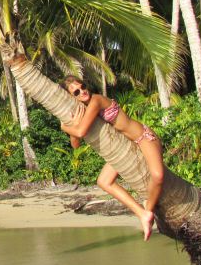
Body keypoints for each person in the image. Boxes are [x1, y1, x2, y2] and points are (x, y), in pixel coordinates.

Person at [60, 76, 164, 241]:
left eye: (83, 85)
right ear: (72, 97)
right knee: (103, 181)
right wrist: (71, 123)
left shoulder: (96, 100)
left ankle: (147, 209)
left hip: (142, 137)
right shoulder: (84, 111)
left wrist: (64, 126)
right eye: (77, 92)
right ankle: (142, 214)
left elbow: (80, 132)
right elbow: (75, 144)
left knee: (158, 176)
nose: (83, 91)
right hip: (125, 147)